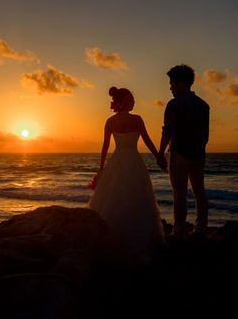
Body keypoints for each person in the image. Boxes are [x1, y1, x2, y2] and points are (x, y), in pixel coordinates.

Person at [88, 86, 165, 255]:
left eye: (133, 100)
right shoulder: (137, 119)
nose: (133, 102)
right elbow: (147, 141)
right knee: (135, 197)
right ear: (122, 102)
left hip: (117, 161)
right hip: (133, 160)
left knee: (116, 196)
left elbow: (105, 147)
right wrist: (159, 156)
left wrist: (102, 168)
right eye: (130, 100)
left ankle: (115, 233)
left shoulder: (110, 121)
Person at [157, 64, 210, 237]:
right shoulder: (203, 105)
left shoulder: (174, 104)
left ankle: (179, 229)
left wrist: (160, 153)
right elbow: (205, 135)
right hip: (198, 154)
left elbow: (167, 131)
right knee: (199, 191)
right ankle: (201, 227)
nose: (170, 87)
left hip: (179, 152)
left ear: (180, 83)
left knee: (179, 193)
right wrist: (199, 148)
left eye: (172, 83)